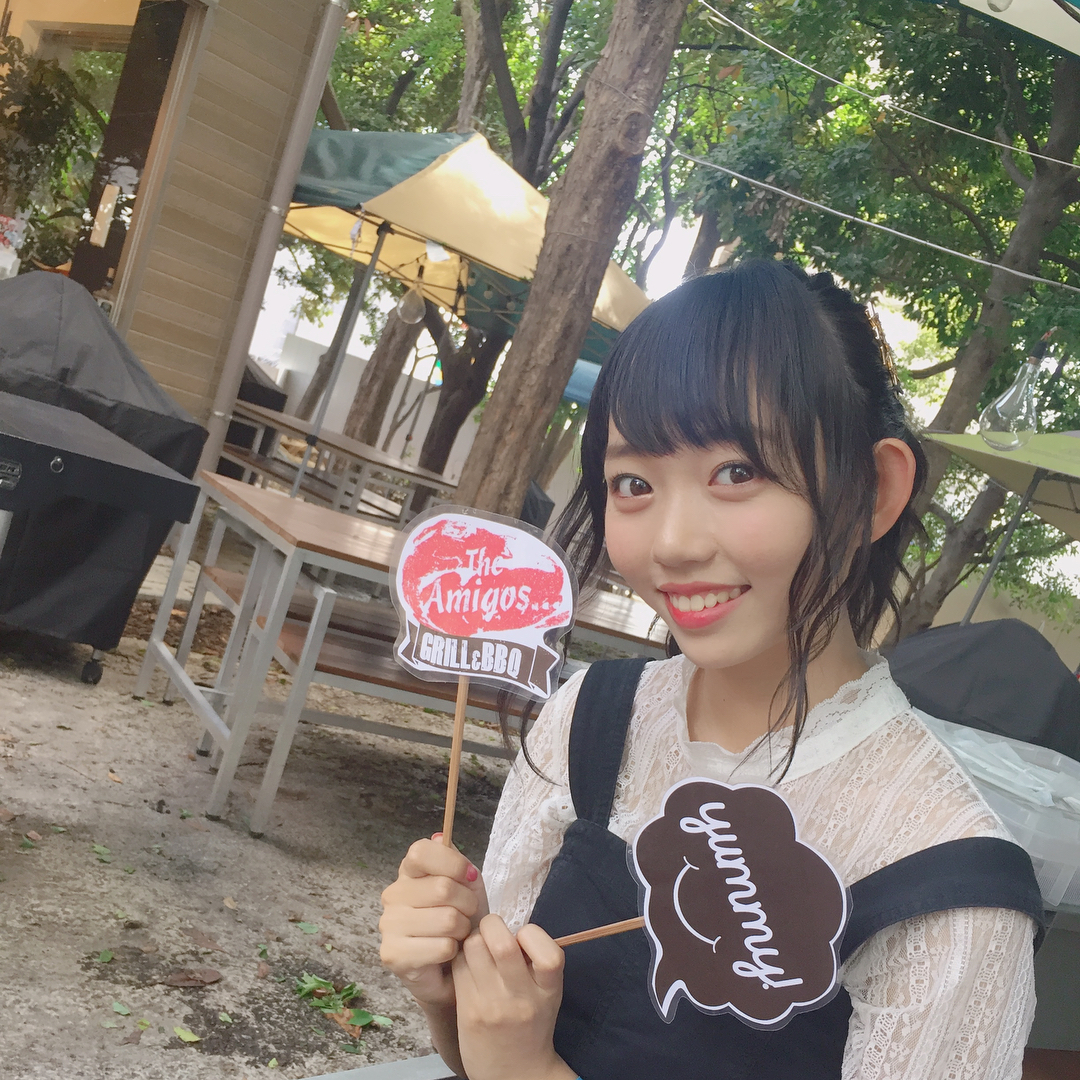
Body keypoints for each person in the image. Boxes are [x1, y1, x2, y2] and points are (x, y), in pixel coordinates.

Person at [379, 261, 1044, 1080]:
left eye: (737, 472)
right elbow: (485, 1054)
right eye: (633, 483)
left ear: (874, 489)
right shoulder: (590, 716)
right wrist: (451, 990)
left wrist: (530, 1071)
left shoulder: (949, 886)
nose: (673, 543)